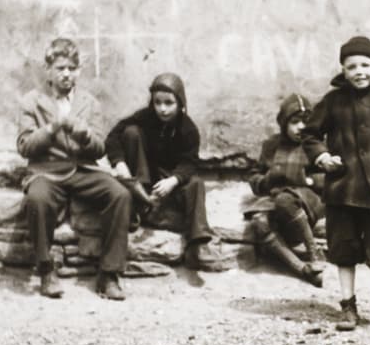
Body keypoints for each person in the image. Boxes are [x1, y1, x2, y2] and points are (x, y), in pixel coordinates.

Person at [302, 36, 370, 330]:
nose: (359, 71)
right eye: (352, 66)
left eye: (366, 65)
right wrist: (322, 157)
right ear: (343, 70)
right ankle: (348, 307)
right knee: (343, 249)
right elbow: (310, 135)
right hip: (343, 188)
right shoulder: (333, 100)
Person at [17, 37, 131, 300]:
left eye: (71, 68)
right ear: (49, 71)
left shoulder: (90, 103)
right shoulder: (32, 102)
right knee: (37, 198)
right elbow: (24, 146)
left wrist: (84, 134)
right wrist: (51, 128)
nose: (66, 74)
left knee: (120, 195)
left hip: (83, 171)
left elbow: (100, 148)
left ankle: (109, 274)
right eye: (60, 68)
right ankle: (46, 270)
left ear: (78, 71)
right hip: (46, 171)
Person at [105, 73, 225, 272]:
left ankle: (198, 242)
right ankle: (142, 204)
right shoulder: (145, 117)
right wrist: (119, 163)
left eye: (169, 103)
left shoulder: (188, 129)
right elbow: (113, 136)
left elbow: (190, 163)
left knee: (196, 184)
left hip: (169, 181)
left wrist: (174, 180)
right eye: (157, 102)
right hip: (144, 179)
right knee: (131, 132)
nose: (162, 108)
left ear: (180, 103)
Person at [244, 94, 326, 286]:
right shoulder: (272, 145)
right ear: (284, 123)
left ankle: (314, 255)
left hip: (309, 197)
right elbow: (255, 176)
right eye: (294, 122)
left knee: (285, 200)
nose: (301, 127)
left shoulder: (317, 145)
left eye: (306, 122)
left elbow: (332, 177)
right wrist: (267, 179)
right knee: (259, 222)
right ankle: (301, 268)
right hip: (277, 195)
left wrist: (308, 180)